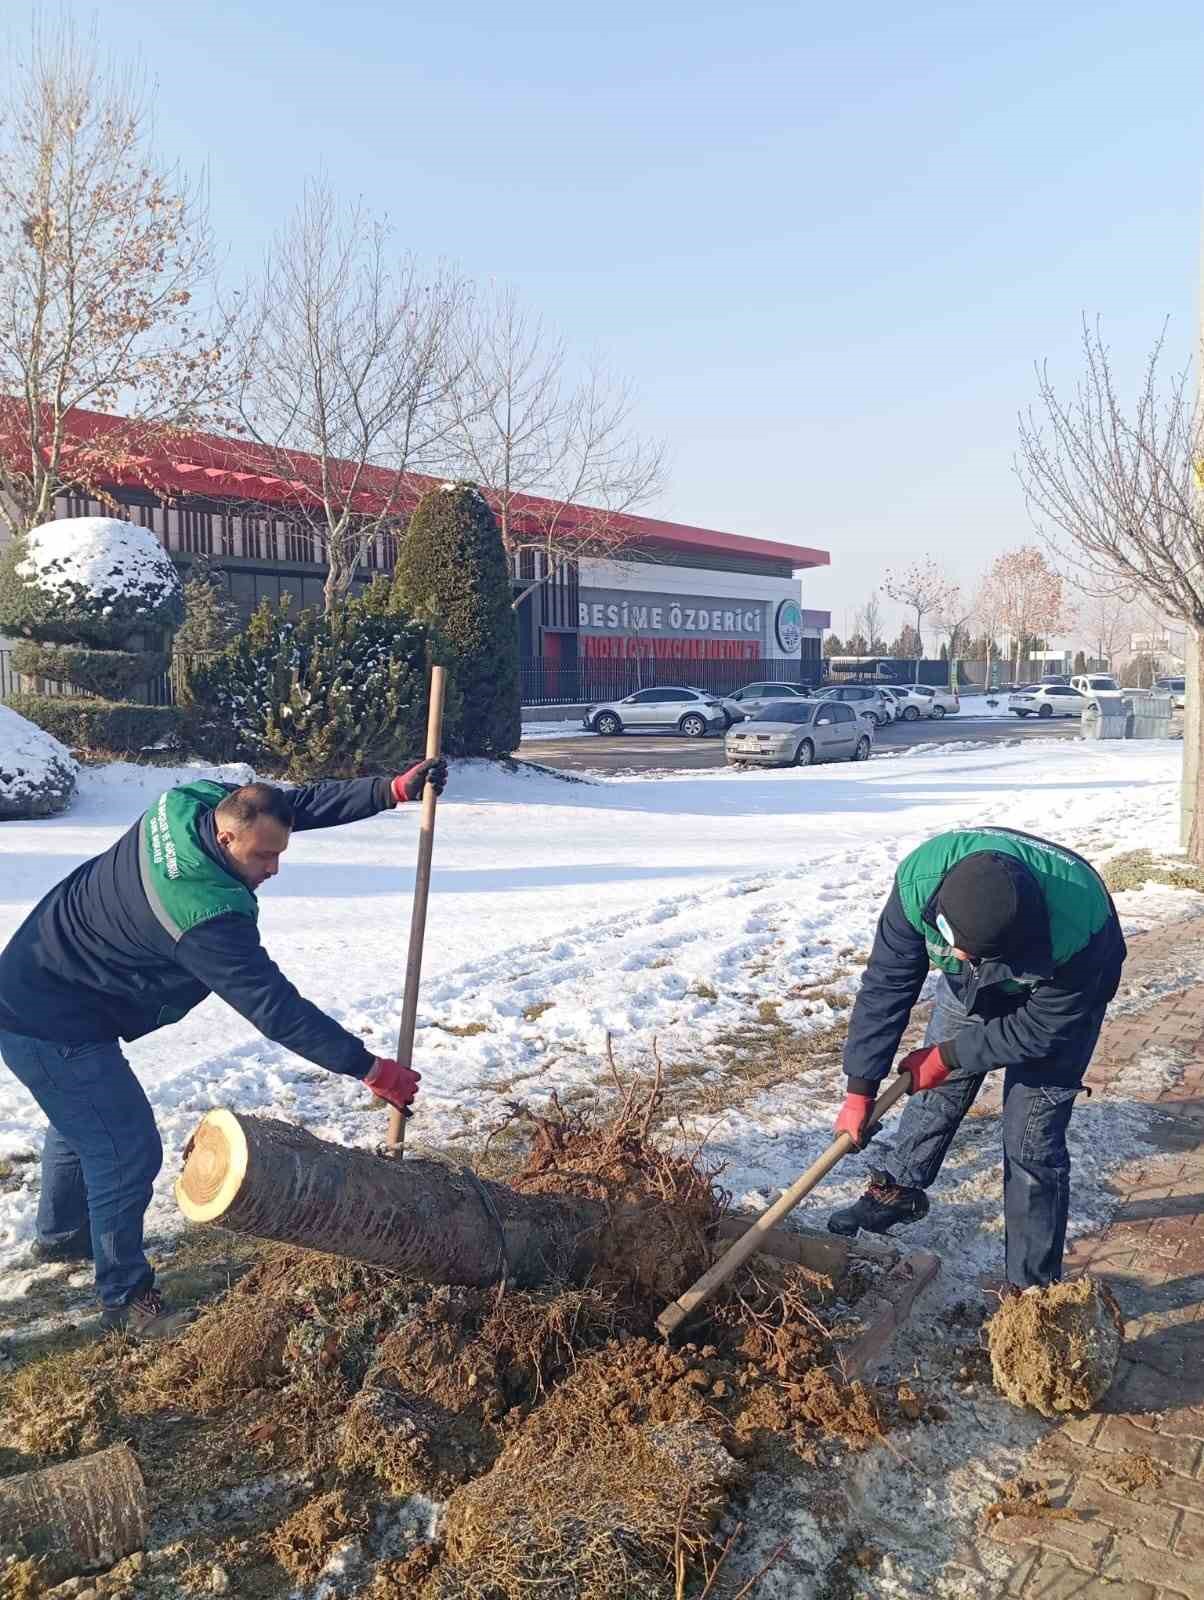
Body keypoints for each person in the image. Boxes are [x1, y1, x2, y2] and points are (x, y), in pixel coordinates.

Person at [0, 761, 447, 1338]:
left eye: (279, 853)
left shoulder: (194, 801)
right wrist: (368, 1068)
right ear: (225, 837)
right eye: (262, 858)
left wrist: (386, 792)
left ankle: (63, 1239)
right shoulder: (204, 915)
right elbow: (275, 1008)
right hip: (47, 1015)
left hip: (52, 979)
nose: (273, 869)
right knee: (125, 1150)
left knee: (84, 1118)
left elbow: (288, 805)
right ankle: (125, 1300)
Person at [827, 826, 1125, 1292]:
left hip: (1057, 996)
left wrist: (949, 1054)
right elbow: (887, 984)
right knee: (933, 1087)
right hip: (976, 984)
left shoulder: (1080, 927)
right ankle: (898, 1191)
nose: (958, 952)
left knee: (1031, 1138)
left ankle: (1031, 1289)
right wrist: (859, 1087)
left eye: (973, 950)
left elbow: (1042, 1030)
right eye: (952, 939)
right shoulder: (919, 882)